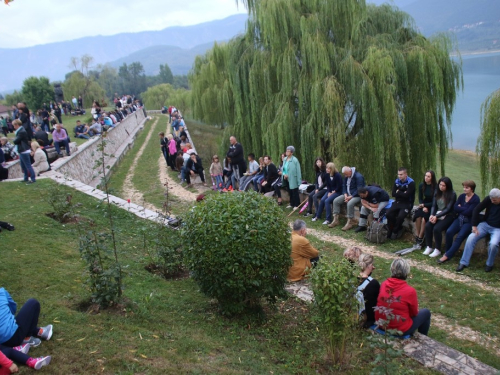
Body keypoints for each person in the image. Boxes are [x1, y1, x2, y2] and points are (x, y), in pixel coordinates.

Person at [375, 259, 431, 336]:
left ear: (392, 269)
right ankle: (423, 338)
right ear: (406, 272)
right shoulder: (410, 291)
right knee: (426, 312)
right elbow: (414, 313)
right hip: (399, 329)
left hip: (381, 324)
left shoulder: (384, 284)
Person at [456, 188, 500, 273]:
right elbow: (476, 209)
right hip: (485, 224)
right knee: (471, 237)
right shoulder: (489, 199)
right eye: (491, 199)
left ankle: (489, 264)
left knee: (493, 244)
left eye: (494, 200)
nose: (492, 201)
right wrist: (474, 226)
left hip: (497, 229)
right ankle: (464, 262)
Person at [437, 181, 480, 264]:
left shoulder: (476, 199)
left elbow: (469, 212)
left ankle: (446, 256)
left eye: (467, 188)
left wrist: (461, 208)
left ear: (472, 189)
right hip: (459, 219)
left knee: (459, 237)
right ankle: (448, 251)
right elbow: (455, 207)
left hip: (468, 222)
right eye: (464, 187)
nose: (464, 189)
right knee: (449, 232)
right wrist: (463, 209)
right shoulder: (462, 196)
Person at [422, 177, 456, 258]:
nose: (441, 187)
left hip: (448, 215)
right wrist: (432, 215)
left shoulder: (452, 194)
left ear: (448, 186)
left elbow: (448, 209)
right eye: (440, 185)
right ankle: (429, 246)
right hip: (437, 214)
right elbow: (434, 205)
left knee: (437, 228)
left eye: (443, 185)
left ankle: (438, 249)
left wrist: (436, 216)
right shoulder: (437, 192)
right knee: (428, 226)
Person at [330, 166, 365, 230]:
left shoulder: (358, 177)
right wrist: (345, 194)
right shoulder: (347, 176)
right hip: (348, 194)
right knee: (336, 201)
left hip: (357, 196)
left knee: (350, 203)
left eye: (346, 174)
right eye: (344, 174)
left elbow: (359, 189)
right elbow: (344, 186)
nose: (345, 176)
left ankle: (350, 222)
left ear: (350, 171)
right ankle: (336, 220)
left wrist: (351, 197)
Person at [386, 168, 416, 239]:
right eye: (398, 174)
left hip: (407, 203)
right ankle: (391, 229)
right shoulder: (397, 181)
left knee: (400, 217)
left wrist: (398, 192)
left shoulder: (411, 183)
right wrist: (403, 192)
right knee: (388, 214)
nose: (399, 176)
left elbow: (407, 195)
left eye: (401, 174)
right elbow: (393, 194)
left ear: (406, 174)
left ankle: (396, 231)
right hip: (398, 202)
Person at [413, 171, 437, 245]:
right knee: (418, 216)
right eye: (425, 176)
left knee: (424, 219)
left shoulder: (435, 187)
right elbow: (420, 198)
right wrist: (422, 205)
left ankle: (421, 237)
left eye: (428, 176)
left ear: (432, 178)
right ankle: (417, 235)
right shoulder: (422, 185)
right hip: (424, 204)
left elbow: (434, 201)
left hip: (432, 205)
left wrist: (425, 205)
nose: (426, 178)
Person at [357, 254, 380, 328]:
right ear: (370, 266)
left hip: (353, 314)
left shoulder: (351, 279)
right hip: (368, 319)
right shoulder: (373, 283)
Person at [12, 120, 36, 184]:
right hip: (21, 150)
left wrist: (14, 140)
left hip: (24, 150)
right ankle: (25, 178)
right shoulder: (21, 131)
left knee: (28, 166)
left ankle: (33, 179)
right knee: (23, 166)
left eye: (14, 125)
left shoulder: (21, 132)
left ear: (17, 125)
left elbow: (16, 141)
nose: (14, 127)